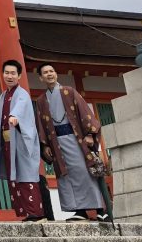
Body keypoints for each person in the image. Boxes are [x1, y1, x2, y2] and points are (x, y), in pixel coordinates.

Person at [34, 63, 108, 221]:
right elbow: (41, 124)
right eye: (45, 73)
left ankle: (99, 209)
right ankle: (79, 211)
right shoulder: (41, 100)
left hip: (76, 139)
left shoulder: (69, 91)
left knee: (84, 172)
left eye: (51, 71)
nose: (49, 74)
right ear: (40, 78)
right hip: (56, 143)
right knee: (65, 175)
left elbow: (85, 112)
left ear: (56, 74)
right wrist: (45, 145)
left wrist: (89, 133)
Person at [0, 59, 46, 222]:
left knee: (26, 176)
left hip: (21, 141)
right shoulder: (4, 95)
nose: (9, 76)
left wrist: (15, 116)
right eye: (7, 73)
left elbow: (20, 108)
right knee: (14, 176)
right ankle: (27, 213)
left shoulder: (22, 94)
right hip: (9, 142)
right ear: (3, 74)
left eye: (13, 73)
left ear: (19, 75)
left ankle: (36, 212)